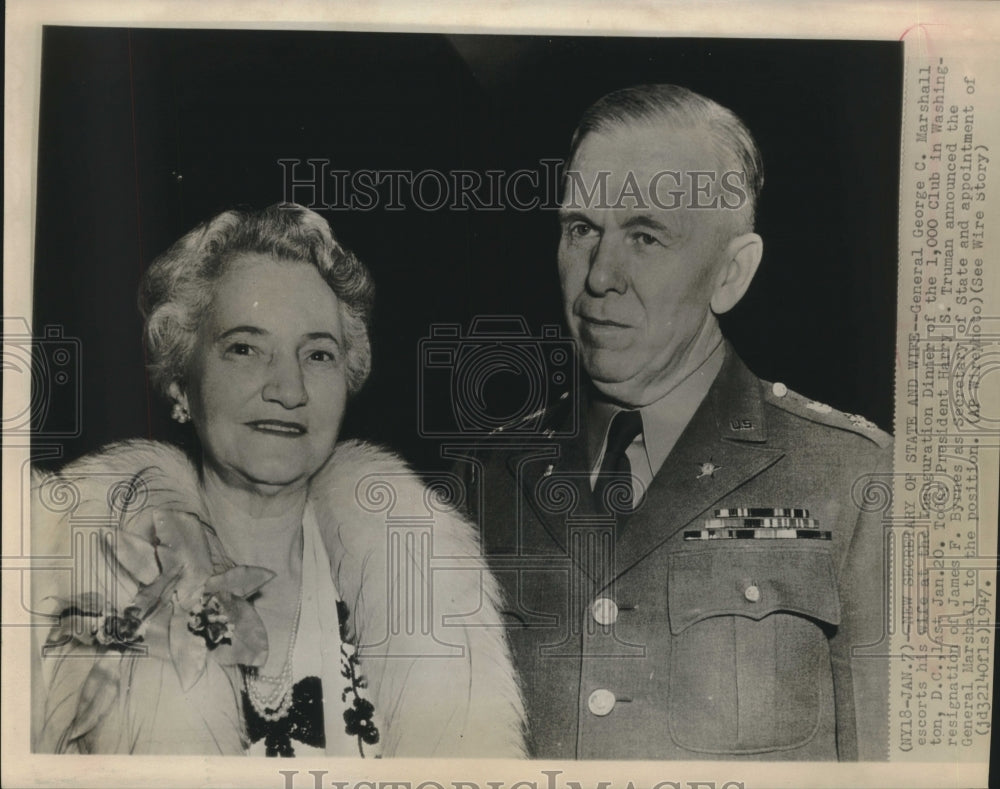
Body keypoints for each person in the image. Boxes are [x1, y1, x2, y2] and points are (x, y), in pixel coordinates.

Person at [463, 85, 891, 760]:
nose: (601, 275)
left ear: (731, 272)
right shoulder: (485, 482)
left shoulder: (853, 478)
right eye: (581, 229)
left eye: (646, 235)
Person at [31, 203, 525, 757]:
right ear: (179, 382)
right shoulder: (75, 582)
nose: (288, 389)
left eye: (317, 354)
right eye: (245, 348)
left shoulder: (425, 585)